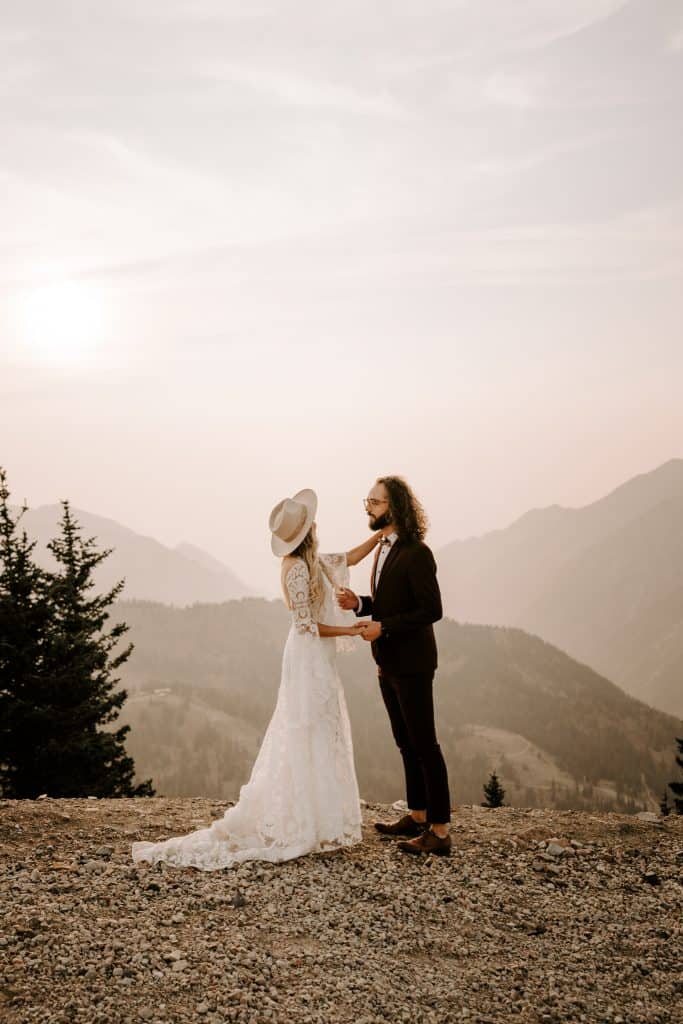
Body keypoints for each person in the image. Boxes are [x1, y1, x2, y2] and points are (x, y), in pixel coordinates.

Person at [132, 488, 379, 870]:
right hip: (306, 656)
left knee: (321, 729)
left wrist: (381, 535)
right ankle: (303, 818)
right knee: (305, 728)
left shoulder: (313, 560)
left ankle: (319, 814)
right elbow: (307, 625)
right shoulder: (296, 569)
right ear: (308, 530)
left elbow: (350, 557)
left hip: (317, 657)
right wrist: (351, 631)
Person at [338, 476, 452, 856]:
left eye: (375, 501)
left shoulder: (417, 552)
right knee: (405, 743)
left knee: (425, 744)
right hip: (388, 662)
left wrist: (383, 626)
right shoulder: (383, 549)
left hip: (414, 663)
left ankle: (439, 831)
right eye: (367, 500)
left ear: (395, 506)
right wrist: (360, 604)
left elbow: (431, 610)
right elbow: (391, 601)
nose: (368, 507)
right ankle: (417, 815)